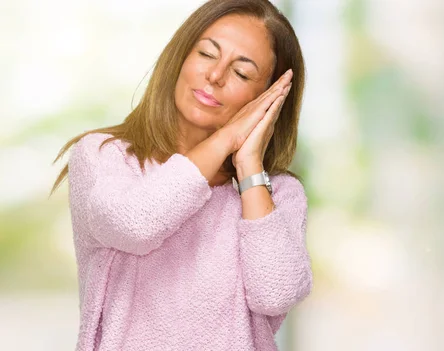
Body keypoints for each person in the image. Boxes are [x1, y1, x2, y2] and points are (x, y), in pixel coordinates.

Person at [50, 0, 312, 350]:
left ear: (267, 99)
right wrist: (225, 140)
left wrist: (249, 166)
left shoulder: (274, 194)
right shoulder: (105, 157)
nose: (215, 76)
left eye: (242, 73)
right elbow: (136, 223)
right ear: (181, 56)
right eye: (206, 53)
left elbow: (276, 293)